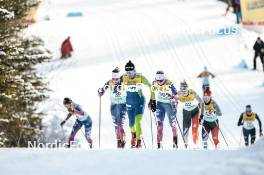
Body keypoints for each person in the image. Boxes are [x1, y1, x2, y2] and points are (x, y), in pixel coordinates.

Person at [121, 60, 156, 148]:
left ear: (134, 71)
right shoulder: (124, 77)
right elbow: (113, 83)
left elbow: (151, 87)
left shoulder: (140, 77)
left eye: (131, 72)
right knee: (131, 124)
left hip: (139, 101)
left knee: (137, 120)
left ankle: (139, 141)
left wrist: (153, 100)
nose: (129, 74)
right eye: (127, 72)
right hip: (129, 102)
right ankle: (133, 136)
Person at [98, 67, 127, 148]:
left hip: (122, 105)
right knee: (116, 125)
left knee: (120, 124)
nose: (114, 80)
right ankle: (118, 141)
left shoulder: (123, 82)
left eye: (116, 79)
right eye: (113, 78)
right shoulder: (109, 82)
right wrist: (100, 91)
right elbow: (102, 90)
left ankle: (123, 141)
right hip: (113, 106)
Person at [152, 71, 178, 149]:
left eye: (161, 81)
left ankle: (175, 142)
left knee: (172, 123)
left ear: (164, 78)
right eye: (158, 81)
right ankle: (159, 144)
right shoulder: (154, 83)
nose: (159, 82)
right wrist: (152, 102)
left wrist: (174, 99)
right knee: (159, 124)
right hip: (160, 104)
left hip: (169, 104)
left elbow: (177, 95)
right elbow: (152, 91)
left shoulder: (169, 84)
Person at [178, 80, 204, 148]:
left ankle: (196, 144)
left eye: (185, 89)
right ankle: (185, 145)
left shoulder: (192, 93)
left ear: (187, 88)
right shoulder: (178, 94)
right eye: (182, 89)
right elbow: (172, 100)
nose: (184, 91)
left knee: (195, 129)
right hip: (186, 113)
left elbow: (201, 102)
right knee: (185, 130)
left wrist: (201, 115)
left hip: (195, 111)